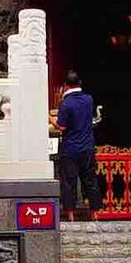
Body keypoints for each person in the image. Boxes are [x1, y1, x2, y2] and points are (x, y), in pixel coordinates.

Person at [53, 80, 99, 216]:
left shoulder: (66, 103)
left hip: (70, 149)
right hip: (87, 147)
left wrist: (50, 118)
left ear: (66, 86)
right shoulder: (89, 99)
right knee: (90, 181)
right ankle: (95, 213)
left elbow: (61, 126)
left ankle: (71, 214)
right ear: (79, 83)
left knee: (69, 182)